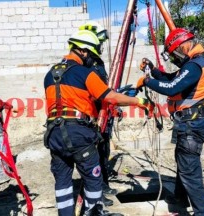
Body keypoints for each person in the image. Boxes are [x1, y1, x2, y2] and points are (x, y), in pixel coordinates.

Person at [44, 29, 154, 216]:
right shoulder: (84, 72)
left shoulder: (50, 74)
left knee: (62, 182)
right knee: (93, 179)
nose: (93, 60)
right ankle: (94, 213)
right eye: (93, 54)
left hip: (53, 132)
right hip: (77, 132)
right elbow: (110, 97)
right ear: (83, 51)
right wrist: (140, 102)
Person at [136, 28, 204, 216]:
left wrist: (147, 81)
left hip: (193, 124)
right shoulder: (198, 62)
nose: (176, 57)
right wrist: (154, 70)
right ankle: (181, 197)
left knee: (190, 171)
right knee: (184, 161)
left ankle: (201, 213)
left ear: (182, 45)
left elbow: (172, 88)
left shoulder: (194, 66)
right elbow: (172, 79)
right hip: (193, 122)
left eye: (175, 53)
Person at [79, 21, 118, 207]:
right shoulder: (85, 64)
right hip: (93, 114)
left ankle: (103, 184)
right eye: (98, 42)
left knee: (104, 151)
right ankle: (95, 192)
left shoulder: (98, 61)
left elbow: (104, 88)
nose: (100, 46)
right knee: (93, 156)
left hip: (104, 112)